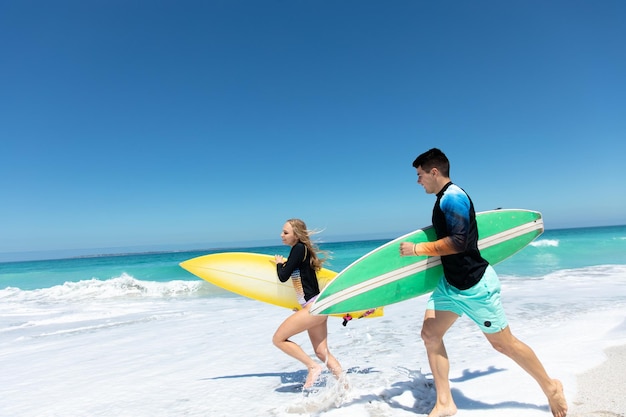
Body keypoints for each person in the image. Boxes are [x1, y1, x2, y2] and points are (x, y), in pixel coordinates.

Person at [399, 148, 568, 417]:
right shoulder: (443, 199)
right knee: (430, 335)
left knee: (504, 344)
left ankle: (551, 388)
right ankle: (445, 402)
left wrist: (417, 250)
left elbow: (458, 242)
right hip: (451, 285)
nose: (418, 181)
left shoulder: (453, 198)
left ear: (434, 171)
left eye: (420, 175)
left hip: (475, 286)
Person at [271, 218, 343, 389]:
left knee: (278, 339)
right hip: (316, 306)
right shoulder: (303, 251)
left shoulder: (298, 249)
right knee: (322, 352)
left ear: (296, 235)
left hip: (313, 308)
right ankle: (346, 387)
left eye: (286, 232)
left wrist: (279, 264)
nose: (282, 235)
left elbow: (283, 276)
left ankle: (312, 367)